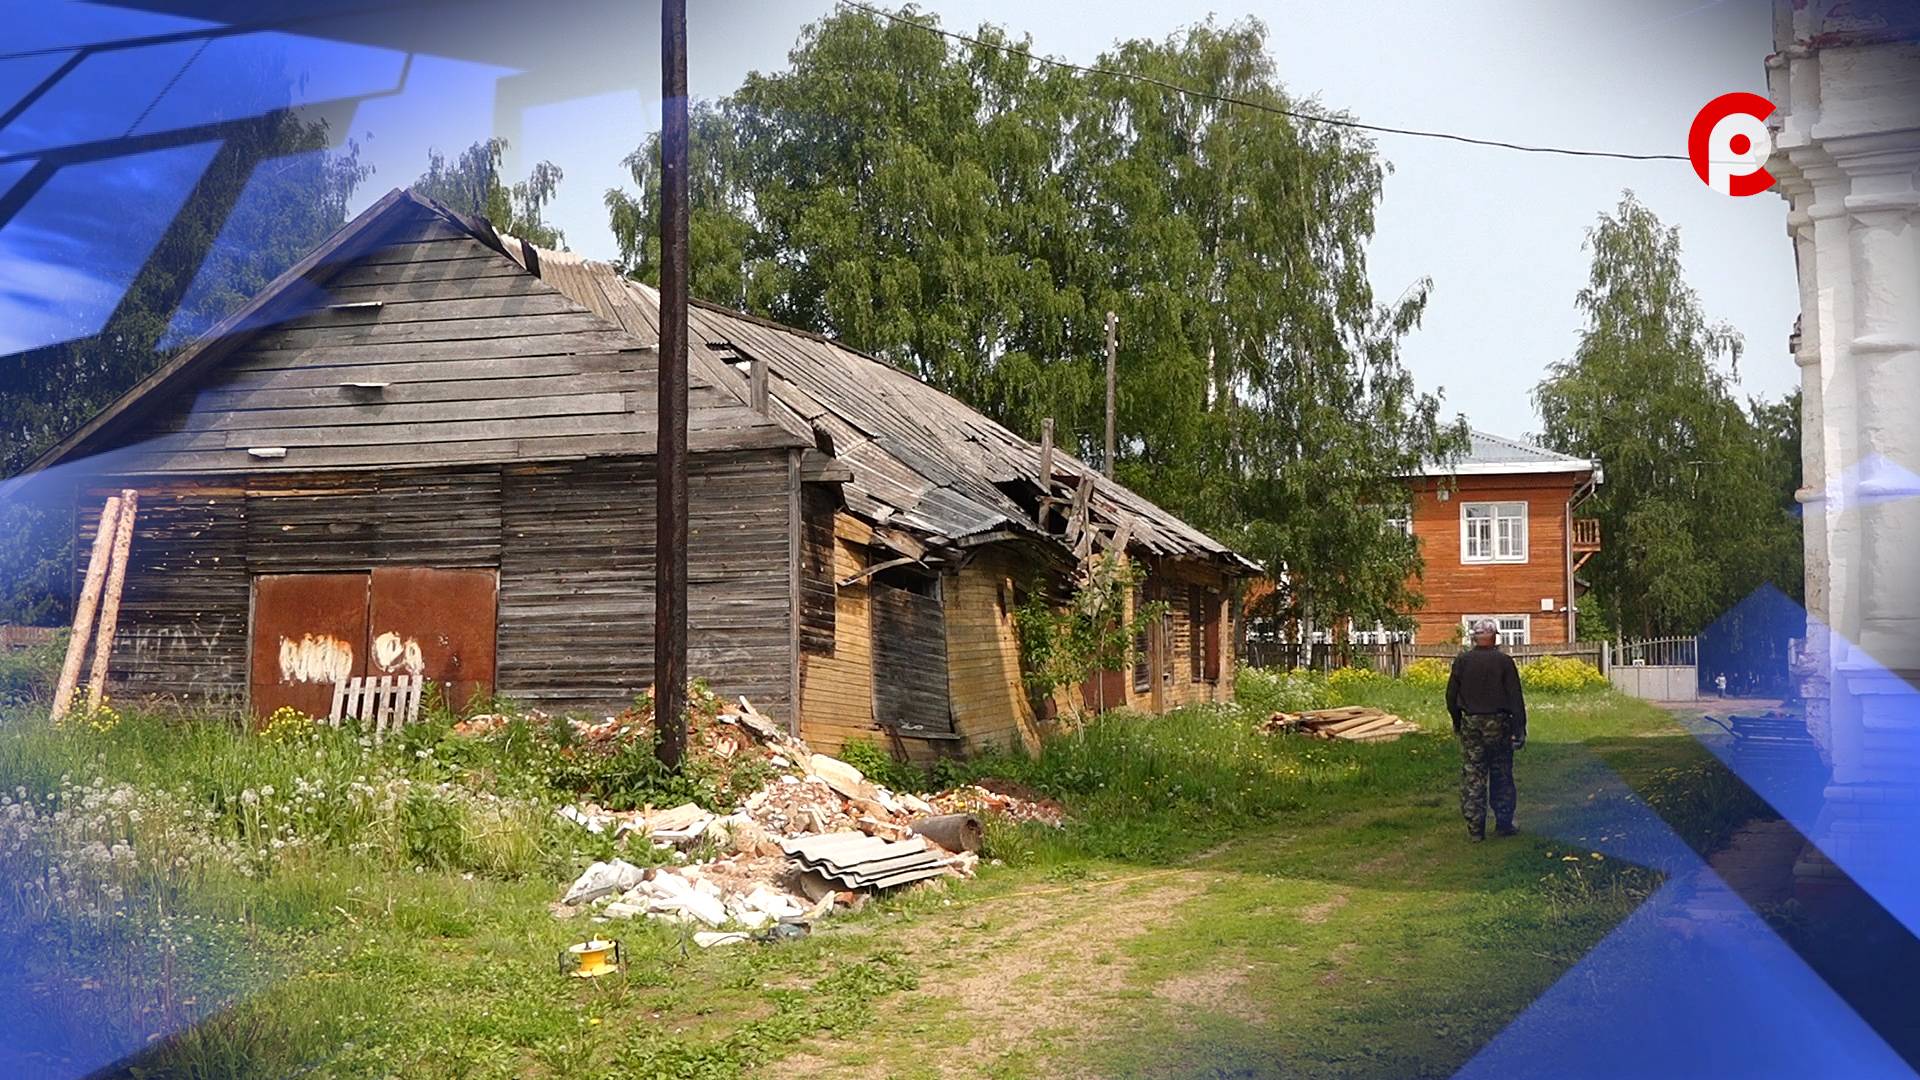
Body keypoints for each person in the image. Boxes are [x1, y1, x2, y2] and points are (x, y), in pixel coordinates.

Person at [1445, 618, 1527, 841]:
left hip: (1471, 724)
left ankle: (1475, 829)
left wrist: (1457, 722)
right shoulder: (1504, 662)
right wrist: (1519, 729)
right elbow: (1515, 698)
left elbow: (1451, 696)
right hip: (1499, 724)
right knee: (1501, 774)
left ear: (1474, 638)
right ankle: (1504, 823)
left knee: (1473, 775)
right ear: (1494, 637)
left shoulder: (1462, 661)